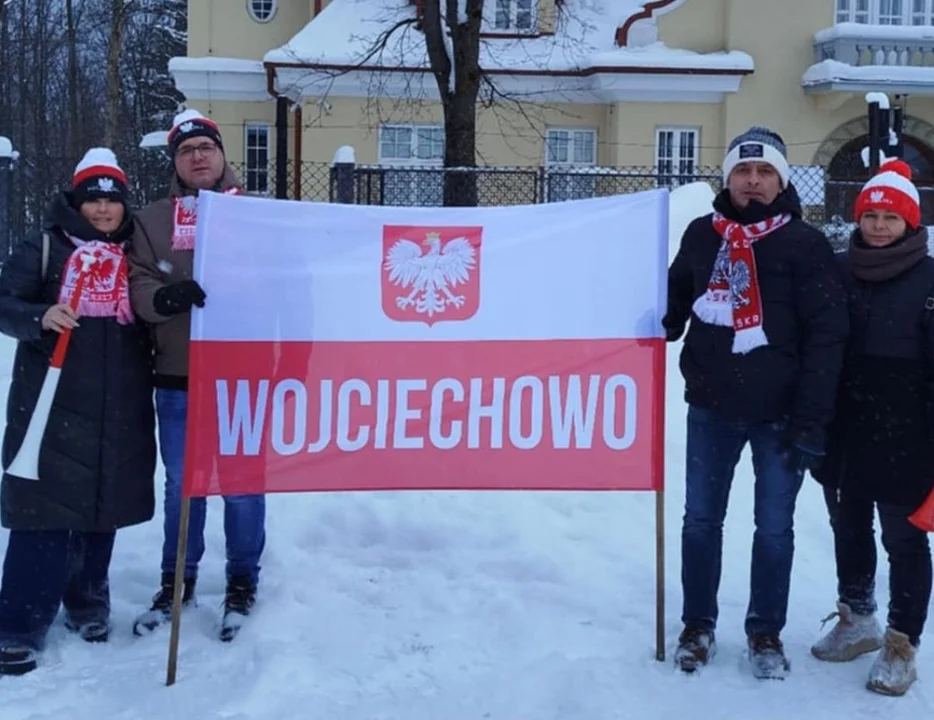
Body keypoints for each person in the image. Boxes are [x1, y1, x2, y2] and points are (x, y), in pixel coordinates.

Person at [663, 126, 849, 679]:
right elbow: (675, 301)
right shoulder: (702, 235)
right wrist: (654, 321)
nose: (752, 180)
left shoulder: (805, 244)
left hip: (781, 415)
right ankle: (697, 625)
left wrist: (812, 419)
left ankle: (765, 632)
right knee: (701, 521)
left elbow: (826, 337)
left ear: (781, 181)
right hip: (711, 407)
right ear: (727, 178)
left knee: (773, 528)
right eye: (742, 171)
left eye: (764, 171)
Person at [0, 148, 156, 675]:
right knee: (41, 512)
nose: (104, 209)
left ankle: (87, 605)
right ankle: (19, 624)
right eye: (93, 199)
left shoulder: (136, 250)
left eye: (112, 199)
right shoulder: (46, 247)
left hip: (120, 403)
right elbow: (4, 303)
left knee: (101, 506)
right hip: (51, 402)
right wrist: (39, 316)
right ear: (76, 203)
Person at [127, 109, 265, 642]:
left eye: (206, 147)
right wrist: (168, 297)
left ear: (222, 154)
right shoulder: (153, 220)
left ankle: (242, 581)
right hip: (179, 375)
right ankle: (177, 581)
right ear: (176, 163)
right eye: (186, 151)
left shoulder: (258, 215)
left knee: (242, 485)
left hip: (243, 377)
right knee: (184, 487)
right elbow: (138, 281)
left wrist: (291, 366)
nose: (198, 156)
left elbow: (293, 284)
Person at [810, 158, 933, 697]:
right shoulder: (838, 270)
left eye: (890, 217)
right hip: (845, 425)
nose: (879, 226)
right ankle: (857, 618)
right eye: (870, 215)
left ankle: (901, 644)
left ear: (910, 221)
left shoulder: (930, 278)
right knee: (848, 526)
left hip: (908, 433)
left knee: (903, 541)